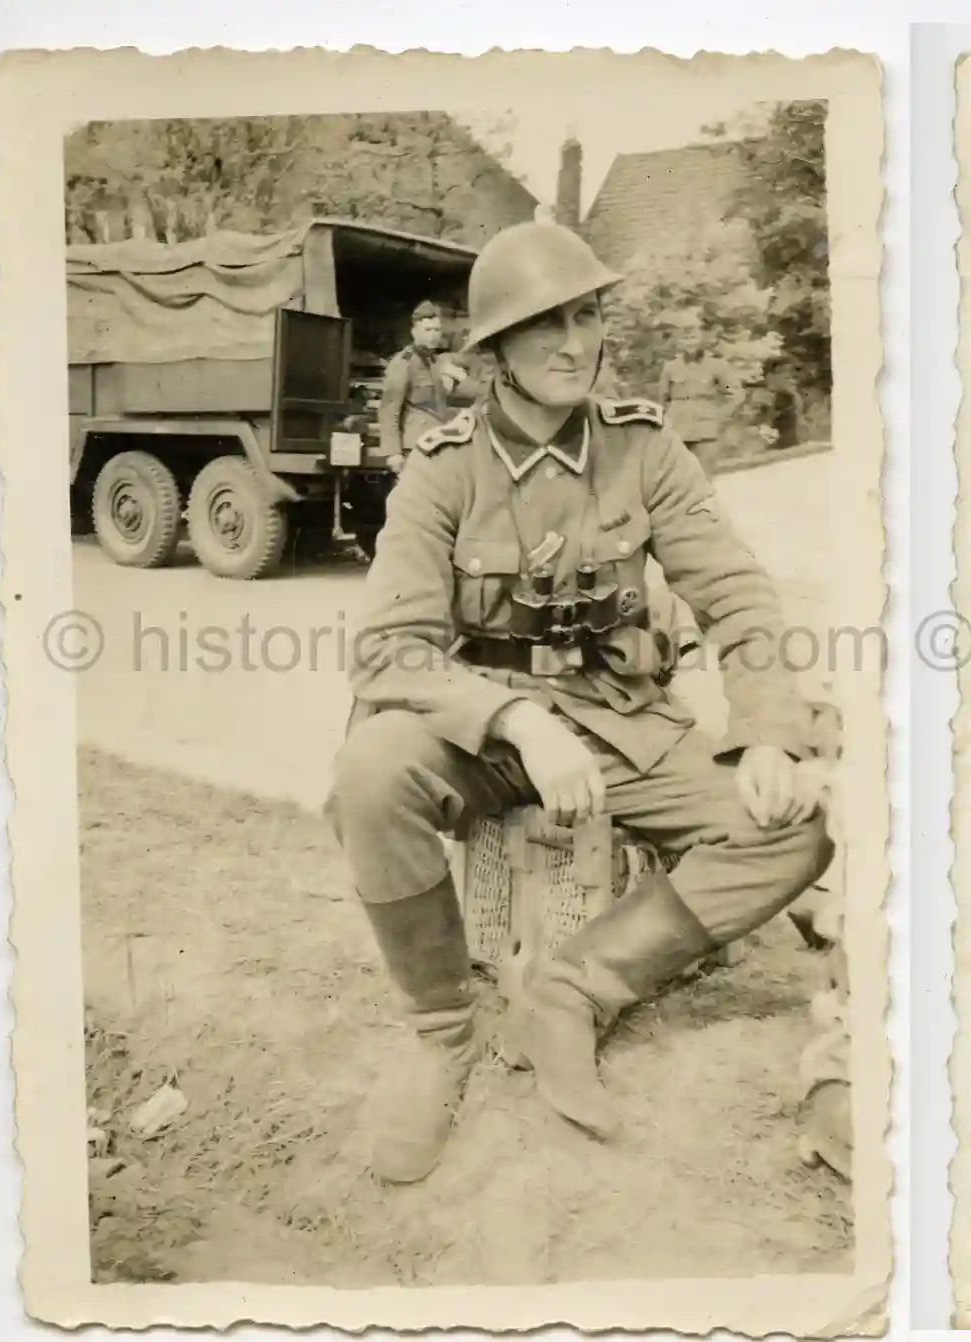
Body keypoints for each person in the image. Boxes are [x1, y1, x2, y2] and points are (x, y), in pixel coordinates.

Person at [326, 221, 834, 1185]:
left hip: (616, 718)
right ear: (494, 354)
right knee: (369, 773)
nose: (573, 342)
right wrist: (515, 720)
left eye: (587, 314)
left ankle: (574, 986)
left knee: (792, 827)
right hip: (483, 727)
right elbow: (388, 650)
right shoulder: (444, 466)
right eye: (541, 324)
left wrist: (768, 730)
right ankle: (443, 1036)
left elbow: (734, 591)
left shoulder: (643, 448)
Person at [377, 299, 475, 471]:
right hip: (413, 448)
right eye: (428, 330)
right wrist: (393, 453)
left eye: (437, 330)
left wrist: (460, 377)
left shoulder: (436, 361)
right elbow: (389, 409)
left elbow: (465, 394)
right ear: (414, 332)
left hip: (438, 444)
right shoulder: (403, 363)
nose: (433, 335)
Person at [658, 329, 741, 475]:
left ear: (702, 339)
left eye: (693, 337)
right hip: (678, 428)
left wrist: (721, 417)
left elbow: (735, 394)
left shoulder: (716, 365)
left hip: (706, 429)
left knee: (704, 474)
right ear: (679, 342)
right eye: (685, 338)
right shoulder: (670, 367)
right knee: (678, 475)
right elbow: (663, 398)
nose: (689, 342)